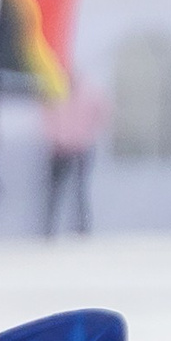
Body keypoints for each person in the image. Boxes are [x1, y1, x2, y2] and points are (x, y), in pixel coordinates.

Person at [41, 80, 107, 237]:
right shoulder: (55, 94)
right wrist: (56, 139)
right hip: (60, 149)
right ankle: (49, 230)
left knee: (79, 192)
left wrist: (88, 135)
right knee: (55, 192)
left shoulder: (88, 93)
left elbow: (102, 113)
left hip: (81, 148)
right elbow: (46, 118)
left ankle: (82, 228)